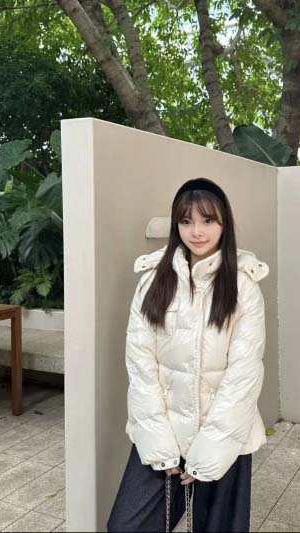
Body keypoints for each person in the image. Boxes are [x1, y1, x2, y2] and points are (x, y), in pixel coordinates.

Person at [107, 177, 269, 533]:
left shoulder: (243, 286)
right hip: (164, 431)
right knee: (125, 526)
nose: (196, 231)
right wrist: (160, 446)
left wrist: (210, 453)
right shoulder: (152, 281)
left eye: (207, 220)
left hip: (224, 437)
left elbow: (244, 374)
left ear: (224, 224)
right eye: (186, 221)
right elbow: (140, 366)